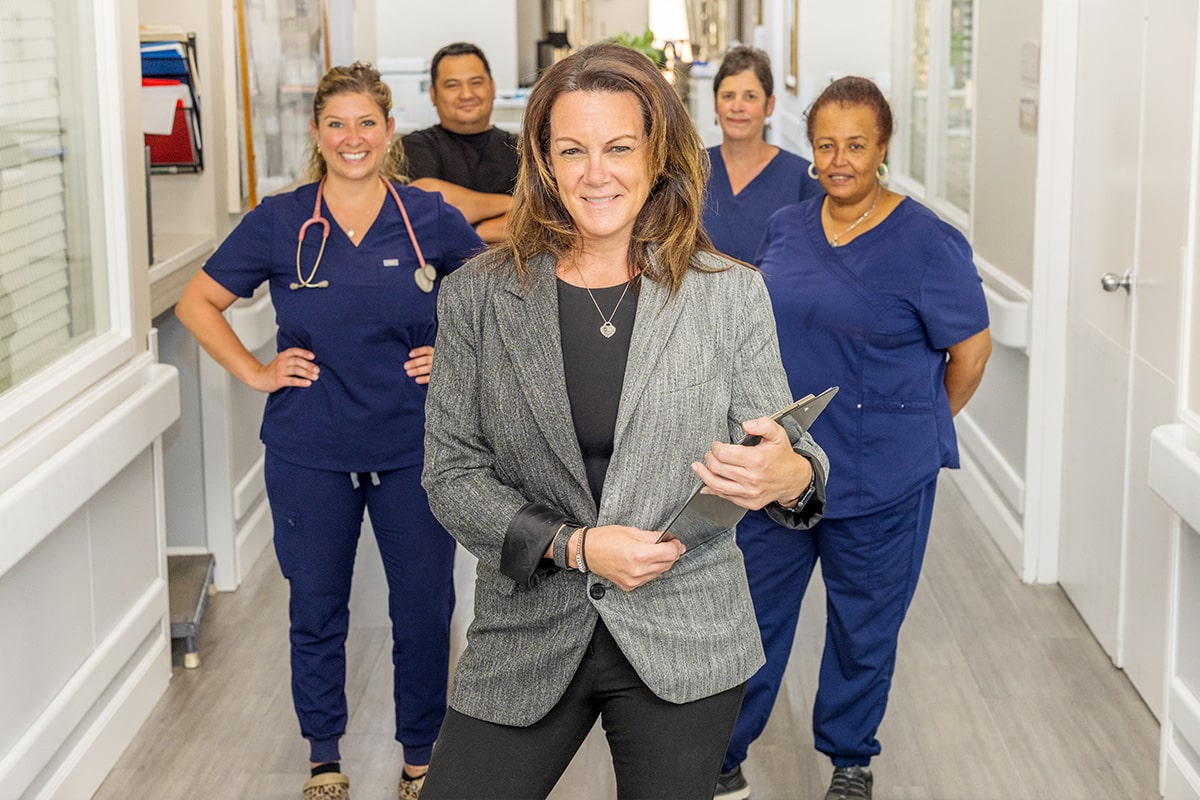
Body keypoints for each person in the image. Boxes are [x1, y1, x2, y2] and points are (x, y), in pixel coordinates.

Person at [418, 42, 830, 800]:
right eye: (572, 150)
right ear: (542, 160)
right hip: (527, 631)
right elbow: (450, 475)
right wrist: (574, 546)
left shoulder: (729, 294)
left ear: (657, 156)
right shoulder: (476, 296)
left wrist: (789, 472)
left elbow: (792, 451)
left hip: (686, 631)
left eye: (617, 148)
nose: (595, 172)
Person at [175, 62, 483, 800]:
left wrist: (453, 353)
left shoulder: (428, 216)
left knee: (422, 610)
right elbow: (197, 303)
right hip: (310, 449)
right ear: (317, 133)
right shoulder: (281, 220)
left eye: (366, 123)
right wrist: (255, 373)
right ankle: (324, 759)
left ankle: (418, 760)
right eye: (337, 124)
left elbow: (498, 300)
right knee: (315, 607)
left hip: (412, 447)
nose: (353, 138)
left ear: (389, 130)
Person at [713, 76, 992, 800]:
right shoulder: (789, 225)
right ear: (811, 150)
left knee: (863, 628)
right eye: (827, 145)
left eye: (857, 145)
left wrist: (906, 429)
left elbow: (971, 356)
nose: (840, 160)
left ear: (884, 148)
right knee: (752, 615)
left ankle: (849, 761)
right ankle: (724, 753)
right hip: (782, 466)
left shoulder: (930, 243)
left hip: (882, 478)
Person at [701, 45, 823, 264]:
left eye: (750, 97)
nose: (737, 107)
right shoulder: (691, 169)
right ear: (715, 103)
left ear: (770, 105)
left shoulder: (803, 179)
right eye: (728, 96)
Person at [402, 42, 519, 243]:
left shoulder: (521, 148)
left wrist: (473, 233)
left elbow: (539, 219)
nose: (466, 94)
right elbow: (425, 204)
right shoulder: (416, 145)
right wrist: (514, 204)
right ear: (433, 94)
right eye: (452, 85)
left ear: (492, 87)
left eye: (476, 82)